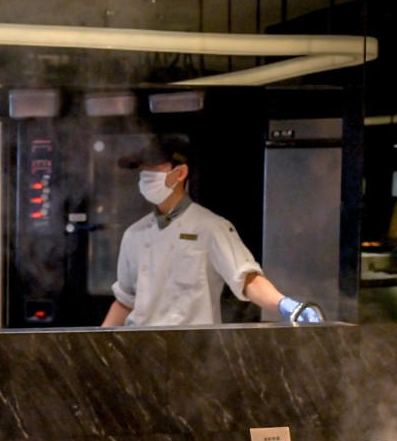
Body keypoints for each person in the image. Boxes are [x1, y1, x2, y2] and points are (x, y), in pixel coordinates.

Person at [101, 135, 323, 327]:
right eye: (143, 170)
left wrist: (285, 304)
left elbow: (247, 279)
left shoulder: (211, 228)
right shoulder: (133, 234)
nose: (146, 176)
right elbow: (125, 301)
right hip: (139, 350)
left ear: (180, 173)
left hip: (194, 352)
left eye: (155, 169)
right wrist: (94, 347)